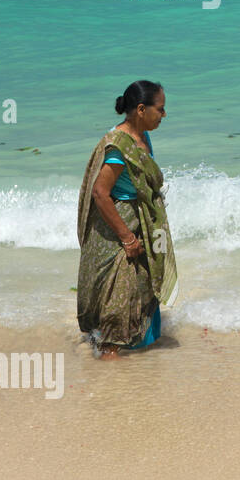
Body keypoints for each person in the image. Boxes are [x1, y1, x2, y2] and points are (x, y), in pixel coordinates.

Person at [76, 81, 177, 359]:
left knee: (142, 293)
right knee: (118, 308)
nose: (164, 114)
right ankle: (112, 375)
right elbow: (100, 193)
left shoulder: (142, 136)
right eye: (161, 109)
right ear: (141, 109)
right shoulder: (118, 148)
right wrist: (128, 238)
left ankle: (139, 357)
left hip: (140, 225)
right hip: (118, 232)